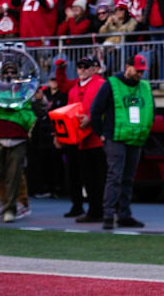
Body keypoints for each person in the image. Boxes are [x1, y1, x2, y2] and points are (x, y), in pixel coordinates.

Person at [91, 54, 153, 230]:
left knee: (127, 179)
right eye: (137, 70)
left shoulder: (144, 87)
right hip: (115, 138)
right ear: (127, 67)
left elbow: (150, 110)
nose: (140, 74)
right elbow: (95, 110)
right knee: (115, 177)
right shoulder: (111, 84)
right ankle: (109, 215)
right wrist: (102, 134)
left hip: (135, 138)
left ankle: (124, 214)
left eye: (142, 71)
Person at [0, 61, 40, 223]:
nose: (10, 75)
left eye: (13, 72)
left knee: (14, 176)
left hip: (17, 137)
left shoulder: (26, 91)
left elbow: (32, 113)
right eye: (7, 72)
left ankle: (9, 208)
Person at [65, 56, 107, 222]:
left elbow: (105, 108)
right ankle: (94, 210)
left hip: (97, 138)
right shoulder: (74, 89)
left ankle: (103, 210)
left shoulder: (100, 84)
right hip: (80, 139)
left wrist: (90, 118)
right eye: (79, 67)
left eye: (85, 67)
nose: (82, 70)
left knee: (100, 177)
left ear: (92, 69)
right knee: (87, 178)